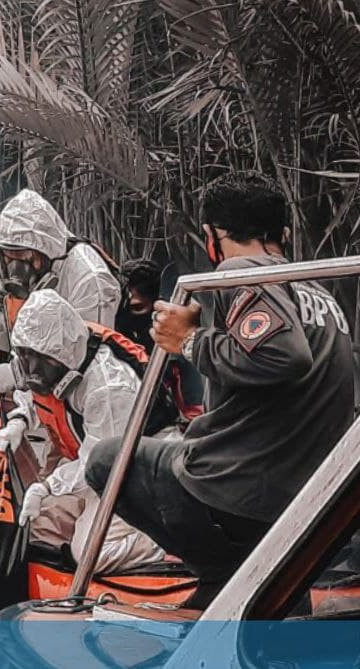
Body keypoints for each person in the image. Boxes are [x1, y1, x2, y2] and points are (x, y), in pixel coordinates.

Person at [85, 171, 355, 607]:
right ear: (282, 233)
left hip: (246, 494)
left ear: (214, 235)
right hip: (310, 501)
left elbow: (284, 355)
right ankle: (257, 586)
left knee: (107, 459)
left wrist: (189, 341)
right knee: (177, 444)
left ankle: (224, 577)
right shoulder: (316, 288)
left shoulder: (236, 271)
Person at [0, 289, 167, 574]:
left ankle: (169, 539)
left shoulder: (108, 389)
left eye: (41, 360)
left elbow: (101, 463)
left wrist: (48, 486)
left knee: (90, 552)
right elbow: (35, 392)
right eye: (25, 356)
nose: (32, 368)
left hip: (137, 465)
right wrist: (19, 420)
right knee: (34, 527)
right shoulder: (57, 357)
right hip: (89, 458)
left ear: (64, 355)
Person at [0, 189, 120, 353]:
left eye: (25, 258)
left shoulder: (89, 279)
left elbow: (90, 350)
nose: (16, 268)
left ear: (47, 250)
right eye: (9, 257)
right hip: (23, 362)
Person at [116, 258, 204, 421]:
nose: (130, 315)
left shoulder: (174, 345)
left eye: (138, 308)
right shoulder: (116, 334)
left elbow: (194, 407)